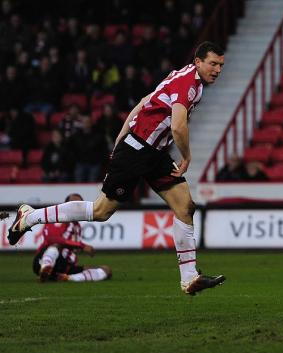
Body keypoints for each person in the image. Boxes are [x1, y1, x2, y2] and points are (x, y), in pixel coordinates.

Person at [8, 41, 226, 296]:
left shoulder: (187, 78)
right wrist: (186, 157)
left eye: (221, 65)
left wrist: (123, 133)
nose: (218, 69)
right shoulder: (187, 83)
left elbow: (146, 100)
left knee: (185, 206)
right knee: (101, 211)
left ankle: (189, 278)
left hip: (152, 152)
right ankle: (30, 216)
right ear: (198, 62)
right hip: (139, 149)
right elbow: (178, 126)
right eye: (213, 63)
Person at [32, 193, 112, 283]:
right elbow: (53, 239)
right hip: (45, 259)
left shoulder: (77, 227)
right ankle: (46, 267)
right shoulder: (59, 218)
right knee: (55, 246)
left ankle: (66, 278)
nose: (77, 208)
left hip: (65, 266)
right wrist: (81, 246)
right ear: (65, 206)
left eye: (79, 205)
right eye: (73, 204)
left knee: (106, 270)